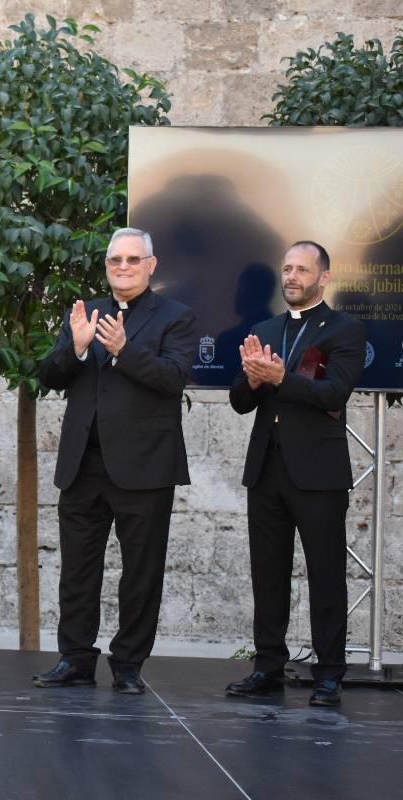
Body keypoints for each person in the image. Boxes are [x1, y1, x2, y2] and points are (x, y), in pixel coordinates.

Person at [34, 227, 196, 694]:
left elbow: (172, 378)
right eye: (114, 261)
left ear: (151, 265)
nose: (122, 268)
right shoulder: (88, 312)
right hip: (83, 464)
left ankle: (128, 664)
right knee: (77, 569)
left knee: (141, 572)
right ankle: (75, 659)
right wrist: (78, 345)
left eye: (131, 260)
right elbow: (50, 374)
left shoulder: (176, 318)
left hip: (144, 467)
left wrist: (126, 350)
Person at [225, 240, 365, 707]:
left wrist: (282, 379)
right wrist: (252, 378)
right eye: (286, 269)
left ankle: (329, 674)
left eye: (302, 270)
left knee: (326, 576)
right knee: (268, 575)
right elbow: (240, 402)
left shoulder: (344, 329)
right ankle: (267, 667)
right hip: (267, 469)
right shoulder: (264, 328)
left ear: (324, 277)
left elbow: (335, 393)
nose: (291, 277)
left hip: (319, 474)